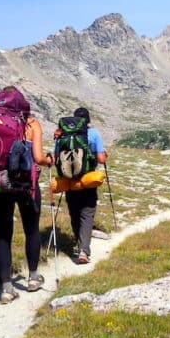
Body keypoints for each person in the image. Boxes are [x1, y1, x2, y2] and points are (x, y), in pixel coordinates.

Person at [0, 86, 54, 304]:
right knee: (31, 230)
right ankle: (33, 279)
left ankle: (6, 289)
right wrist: (49, 161)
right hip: (25, 184)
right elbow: (38, 157)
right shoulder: (31, 124)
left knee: (3, 234)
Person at [64, 107, 108, 264]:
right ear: (88, 120)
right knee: (87, 213)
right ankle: (84, 250)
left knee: (74, 212)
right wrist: (104, 155)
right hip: (88, 179)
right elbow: (101, 159)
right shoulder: (94, 133)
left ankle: (79, 243)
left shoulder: (65, 134)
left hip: (69, 179)